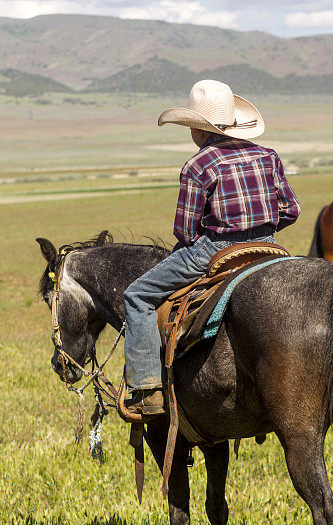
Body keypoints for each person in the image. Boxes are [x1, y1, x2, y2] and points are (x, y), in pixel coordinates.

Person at [122, 79, 301, 418]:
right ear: (233, 123)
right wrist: (259, 228)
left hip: (214, 250)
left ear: (197, 130)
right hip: (267, 245)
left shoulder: (198, 165)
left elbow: (186, 232)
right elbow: (291, 210)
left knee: (137, 296)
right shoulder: (268, 156)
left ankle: (146, 389)